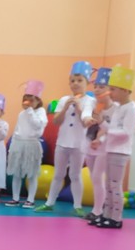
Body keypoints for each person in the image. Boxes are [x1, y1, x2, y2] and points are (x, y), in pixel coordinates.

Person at [35, 60, 97, 216]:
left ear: (87, 82)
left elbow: (85, 121)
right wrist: (65, 108)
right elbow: (56, 121)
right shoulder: (63, 100)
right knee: (58, 174)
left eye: (79, 80)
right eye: (73, 80)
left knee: (75, 175)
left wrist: (78, 107)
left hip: (78, 145)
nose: (75, 83)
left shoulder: (90, 101)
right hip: (62, 143)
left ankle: (77, 206)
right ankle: (49, 203)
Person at [90, 64, 135, 229]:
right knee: (109, 184)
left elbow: (125, 132)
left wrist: (104, 126)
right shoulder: (119, 108)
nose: (110, 92)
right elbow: (111, 128)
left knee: (115, 185)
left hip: (120, 152)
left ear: (125, 90)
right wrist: (102, 131)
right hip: (111, 149)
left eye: (113, 89)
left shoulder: (131, 109)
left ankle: (116, 218)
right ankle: (106, 215)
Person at [4, 80, 48, 208]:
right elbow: (17, 130)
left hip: (32, 145)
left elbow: (38, 125)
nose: (28, 102)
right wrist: (13, 146)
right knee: (17, 173)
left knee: (32, 173)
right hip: (19, 144)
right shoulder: (21, 114)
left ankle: (30, 199)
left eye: (31, 99)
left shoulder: (40, 112)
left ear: (38, 100)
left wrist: (30, 111)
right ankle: (15, 198)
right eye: (26, 99)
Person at [85, 67, 112, 222]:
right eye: (95, 86)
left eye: (101, 86)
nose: (97, 89)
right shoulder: (92, 103)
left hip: (103, 147)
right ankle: (97, 208)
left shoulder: (112, 108)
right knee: (94, 178)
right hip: (90, 144)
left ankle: (98, 210)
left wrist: (99, 140)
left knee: (98, 177)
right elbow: (87, 117)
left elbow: (108, 128)